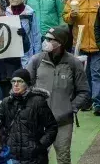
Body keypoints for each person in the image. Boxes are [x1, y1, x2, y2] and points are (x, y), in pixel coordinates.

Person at [26, 26, 89, 164]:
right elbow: (26, 85)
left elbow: (83, 91)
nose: (46, 41)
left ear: (60, 43)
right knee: (37, 157)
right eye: (46, 38)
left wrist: (71, 107)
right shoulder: (36, 60)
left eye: (50, 39)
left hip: (63, 122)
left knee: (63, 158)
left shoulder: (73, 63)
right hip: (40, 121)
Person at [0, 68, 57, 164]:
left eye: (20, 81)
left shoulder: (38, 102)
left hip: (35, 158)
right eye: (13, 81)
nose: (16, 84)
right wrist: (5, 143)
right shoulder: (6, 102)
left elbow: (52, 127)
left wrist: (40, 146)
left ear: (27, 83)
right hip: (12, 157)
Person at [65, 0, 100, 114]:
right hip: (79, 42)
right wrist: (71, 16)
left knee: (96, 73)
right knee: (83, 75)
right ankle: (86, 101)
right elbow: (65, 17)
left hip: (98, 43)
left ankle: (97, 103)